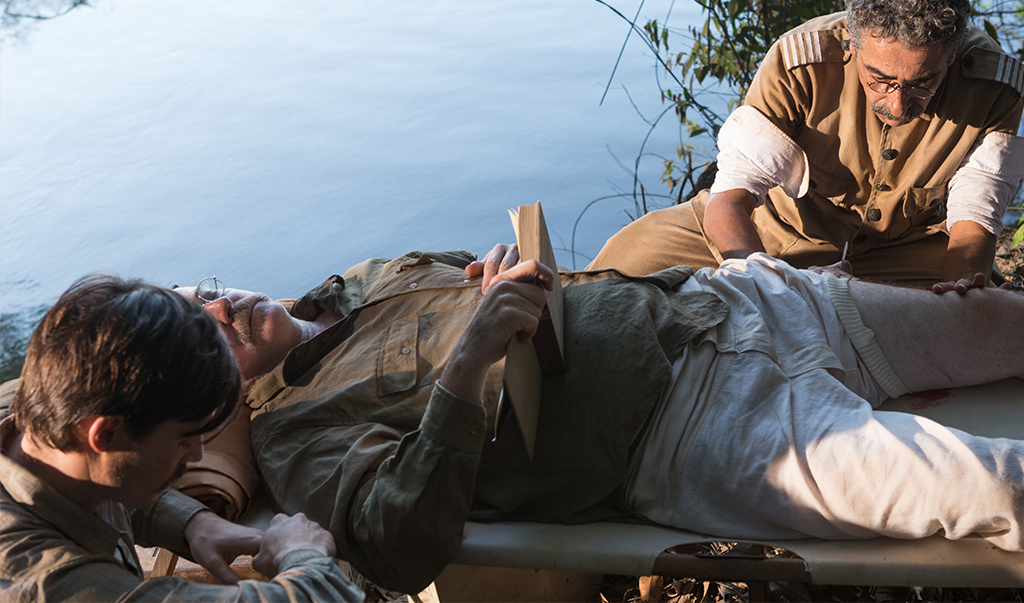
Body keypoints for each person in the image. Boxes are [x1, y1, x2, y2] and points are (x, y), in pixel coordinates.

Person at [176, 244, 1024, 594]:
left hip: (725, 303)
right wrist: (468, 362)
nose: (220, 309)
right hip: (703, 430)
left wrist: (501, 273)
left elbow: (498, 278)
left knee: (1009, 322)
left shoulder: (365, 276)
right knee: (997, 487)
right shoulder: (295, 430)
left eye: (203, 295)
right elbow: (398, 535)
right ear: (209, 401)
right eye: (200, 334)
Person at [589, 0, 1024, 293]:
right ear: (851, 43)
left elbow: (975, 216)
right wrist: (769, 285)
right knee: (620, 270)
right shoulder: (798, 62)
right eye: (880, 79)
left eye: (923, 82)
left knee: (982, 312)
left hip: (904, 249)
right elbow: (730, 202)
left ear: (952, 55)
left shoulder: (994, 86)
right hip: (770, 233)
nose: (897, 102)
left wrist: (958, 291)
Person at [0, 274, 363, 602]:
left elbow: (92, 477)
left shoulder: (40, 439)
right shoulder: (41, 583)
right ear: (105, 433)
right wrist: (305, 555)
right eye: (185, 439)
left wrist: (194, 522)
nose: (196, 455)